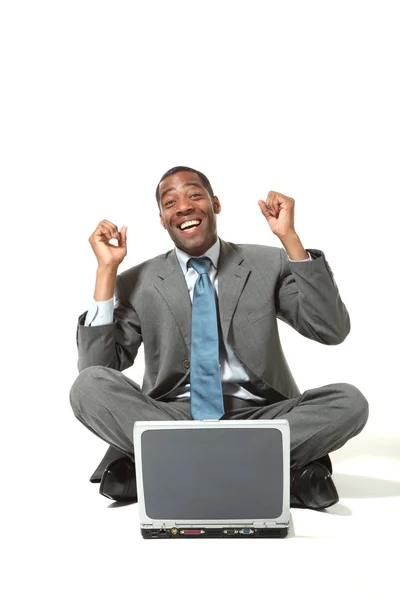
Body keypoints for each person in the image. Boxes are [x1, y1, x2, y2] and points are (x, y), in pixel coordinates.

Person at [70, 166, 369, 509]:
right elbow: (97, 369)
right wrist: (106, 271)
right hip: (173, 418)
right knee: (86, 388)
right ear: (163, 220)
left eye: (194, 195)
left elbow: (331, 330)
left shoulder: (268, 263)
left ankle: (163, 468)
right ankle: (280, 474)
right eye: (170, 203)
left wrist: (290, 240)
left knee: (350, 403)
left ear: (215, 204)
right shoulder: (138, 281)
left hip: (262, 416)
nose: (183, 206)